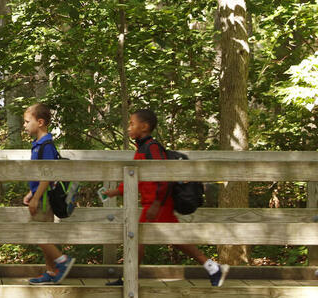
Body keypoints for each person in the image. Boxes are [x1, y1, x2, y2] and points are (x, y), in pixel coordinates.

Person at [102, 109, 228, 287]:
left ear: (144, 127)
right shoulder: (142, 148)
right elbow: (136, 177)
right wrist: (116, 191)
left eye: (132, 123)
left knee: (137, 238)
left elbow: (164, 175)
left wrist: (156, 204)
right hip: (154, 204)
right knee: (171, 239)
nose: (128, 127)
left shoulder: (152, 147)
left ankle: (128, 279)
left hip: (158, 204)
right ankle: (212, 267)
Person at [22, 103, 75, 285]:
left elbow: (48, 175)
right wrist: (31, 193)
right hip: (39, 196)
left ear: (40, 122)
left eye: (27, 121)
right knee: (44, 235)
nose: (24, 125)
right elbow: (40, 176)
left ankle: (62, 261)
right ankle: (51, 272)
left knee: (38, 234)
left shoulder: (46, 146)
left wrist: (36, 198)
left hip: (44, 200)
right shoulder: (39, 145)